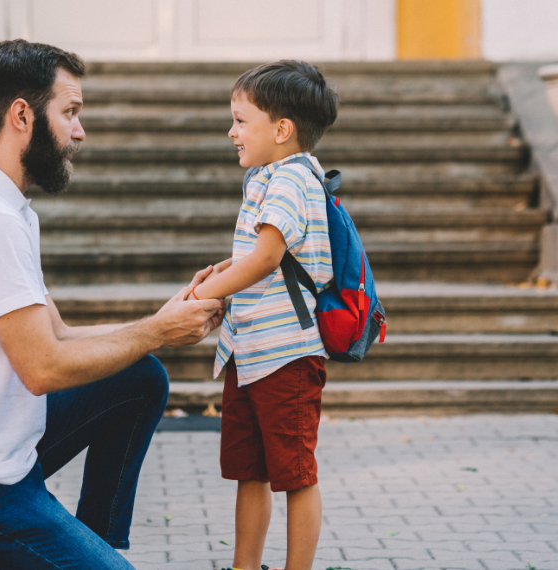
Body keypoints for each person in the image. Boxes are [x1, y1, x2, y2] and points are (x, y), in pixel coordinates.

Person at [0, 39, 223, 570]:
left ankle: (81, 546)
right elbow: (43, 367)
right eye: (70, 113)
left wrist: (159, 322)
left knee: (140, 378)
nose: (79, 132)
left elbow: (56, 335)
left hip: (2, 458)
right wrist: (156, 332)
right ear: (22, 114)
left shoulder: (4, 206)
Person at [188, 60, 339, 570]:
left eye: (239, 120)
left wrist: (202, 295)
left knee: (296, 474)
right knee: (248, 471)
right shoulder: (268, 176)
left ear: (281, 130)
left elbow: (269, 257)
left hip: (286, 357)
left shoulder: (293, 179)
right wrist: (225, 275)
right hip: (249, 352)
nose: (231, 132)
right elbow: (264, 254)